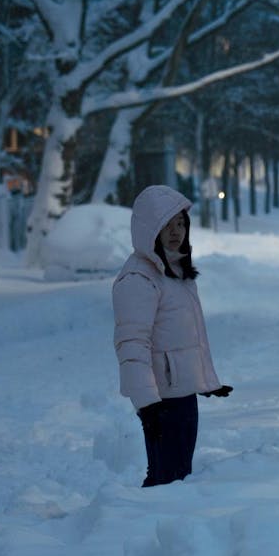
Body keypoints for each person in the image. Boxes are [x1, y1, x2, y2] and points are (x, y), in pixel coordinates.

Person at [112, 185, 232, 487]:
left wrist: (204, 381)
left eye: (180, 223)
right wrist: (148, 404)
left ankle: (149, 527)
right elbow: (132, 345)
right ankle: (133, 527)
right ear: (148, 228)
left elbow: (184, 338)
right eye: (166, 225)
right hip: (161, 401)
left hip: (181, 394)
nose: (175, 231)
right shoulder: (139, 278)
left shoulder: (174, 271)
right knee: (167, 480)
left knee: (177, 478)